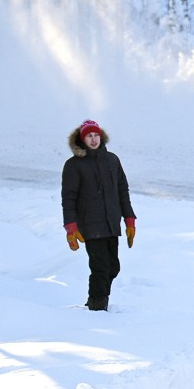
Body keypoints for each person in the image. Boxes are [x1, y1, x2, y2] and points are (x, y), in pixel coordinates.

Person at [61, 119, 136, 311]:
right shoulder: (74, 165)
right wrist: (71, 227)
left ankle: (95, 300)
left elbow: (122, 190)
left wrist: (129, 219)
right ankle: (97, 307)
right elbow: (68, 198)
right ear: (82, 139)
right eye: (89, 136)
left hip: (111, 223)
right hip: (90, 225)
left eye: (96, 135)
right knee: (100, 268)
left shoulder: (112, 160)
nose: (93, 140)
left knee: (113, 267)